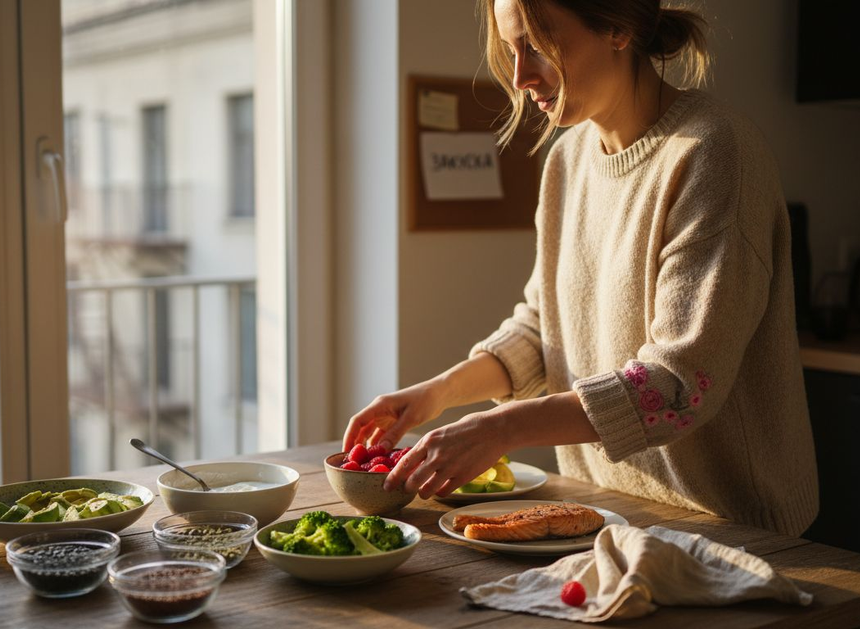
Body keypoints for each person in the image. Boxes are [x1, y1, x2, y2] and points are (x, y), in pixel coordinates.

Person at [342, 0, 819, 537]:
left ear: (617, 26)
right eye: (510, 49)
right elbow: (545, 329)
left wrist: (500, 428)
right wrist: (437, 395)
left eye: (536, 46)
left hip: (729, 528)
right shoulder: (566, 161)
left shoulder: (714, 152)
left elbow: (679, 384)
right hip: (607, 516)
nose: (520, 76)